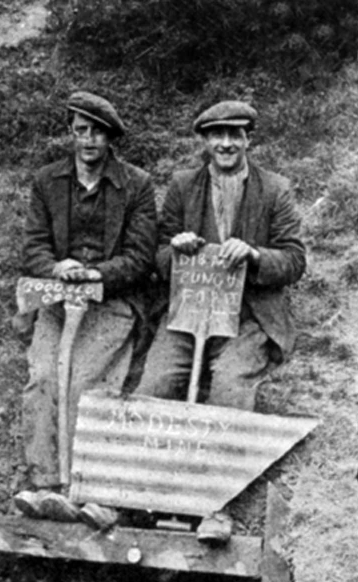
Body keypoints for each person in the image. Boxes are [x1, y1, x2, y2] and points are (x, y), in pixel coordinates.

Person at [135, 100, 306, 543]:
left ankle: (216, 504)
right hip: (189, 309)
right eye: (217, 135)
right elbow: (155, 254)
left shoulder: (274, 190)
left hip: (248, 315)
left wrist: (253, 255)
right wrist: (177, 249)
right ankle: (146, 497)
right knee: (155, 384)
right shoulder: (182, 186)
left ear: (248, 139)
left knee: (230, 386)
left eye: (235, 134)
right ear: (205, 141)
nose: (226, 143)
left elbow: (294, 259)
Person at [15, 91, 157, 528]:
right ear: (70, 133)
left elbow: (140, 257)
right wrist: (58, 267)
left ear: (110, 138)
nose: (88, 140)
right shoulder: (47, 181)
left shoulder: (136, 185)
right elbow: (34, 245)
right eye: (81, 131)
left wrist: (95, 274)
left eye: (97, 132)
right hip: (58, 300)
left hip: (110, 301)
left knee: (85, 384)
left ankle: (89, 487)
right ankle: (45, 484)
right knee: (43, 376)